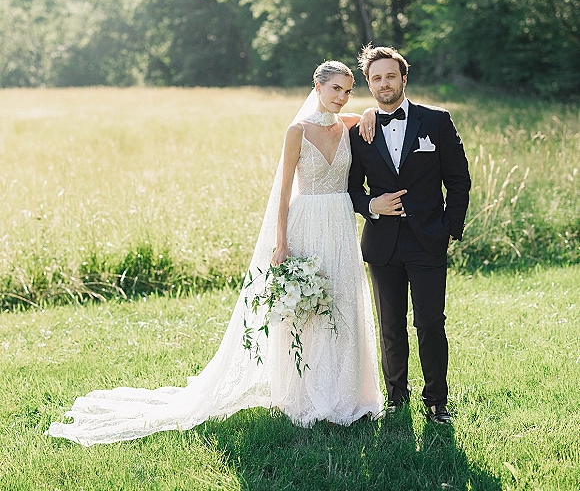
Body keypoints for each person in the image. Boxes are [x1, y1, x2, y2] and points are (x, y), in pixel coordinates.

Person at [47, 61, 383, 445]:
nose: (341, 97)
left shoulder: (351, 124)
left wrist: (370, 109)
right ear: (318, 87)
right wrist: (282, 242)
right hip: (305, 222)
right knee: (305, 310)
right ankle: (302, 395)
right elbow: (284, 192)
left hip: (339, 222)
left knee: (342, 299)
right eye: (335, 89)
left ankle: (346, 394)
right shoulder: (297, 131)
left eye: (347, 90)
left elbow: (372, 113)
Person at [348, 45, 471, 424]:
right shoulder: (360, 131)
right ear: (369, 85)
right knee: (390, 325)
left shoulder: (436, 121)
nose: (384, 83)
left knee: (431, 322)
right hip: (382, 243)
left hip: (428, 238)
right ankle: (396, 398)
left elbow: (458, 180)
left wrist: (450, 228)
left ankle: (436, 401)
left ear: (404, 78)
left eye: (390, 76)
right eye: (376, 78)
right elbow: (350, 189)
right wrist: (372, 205)